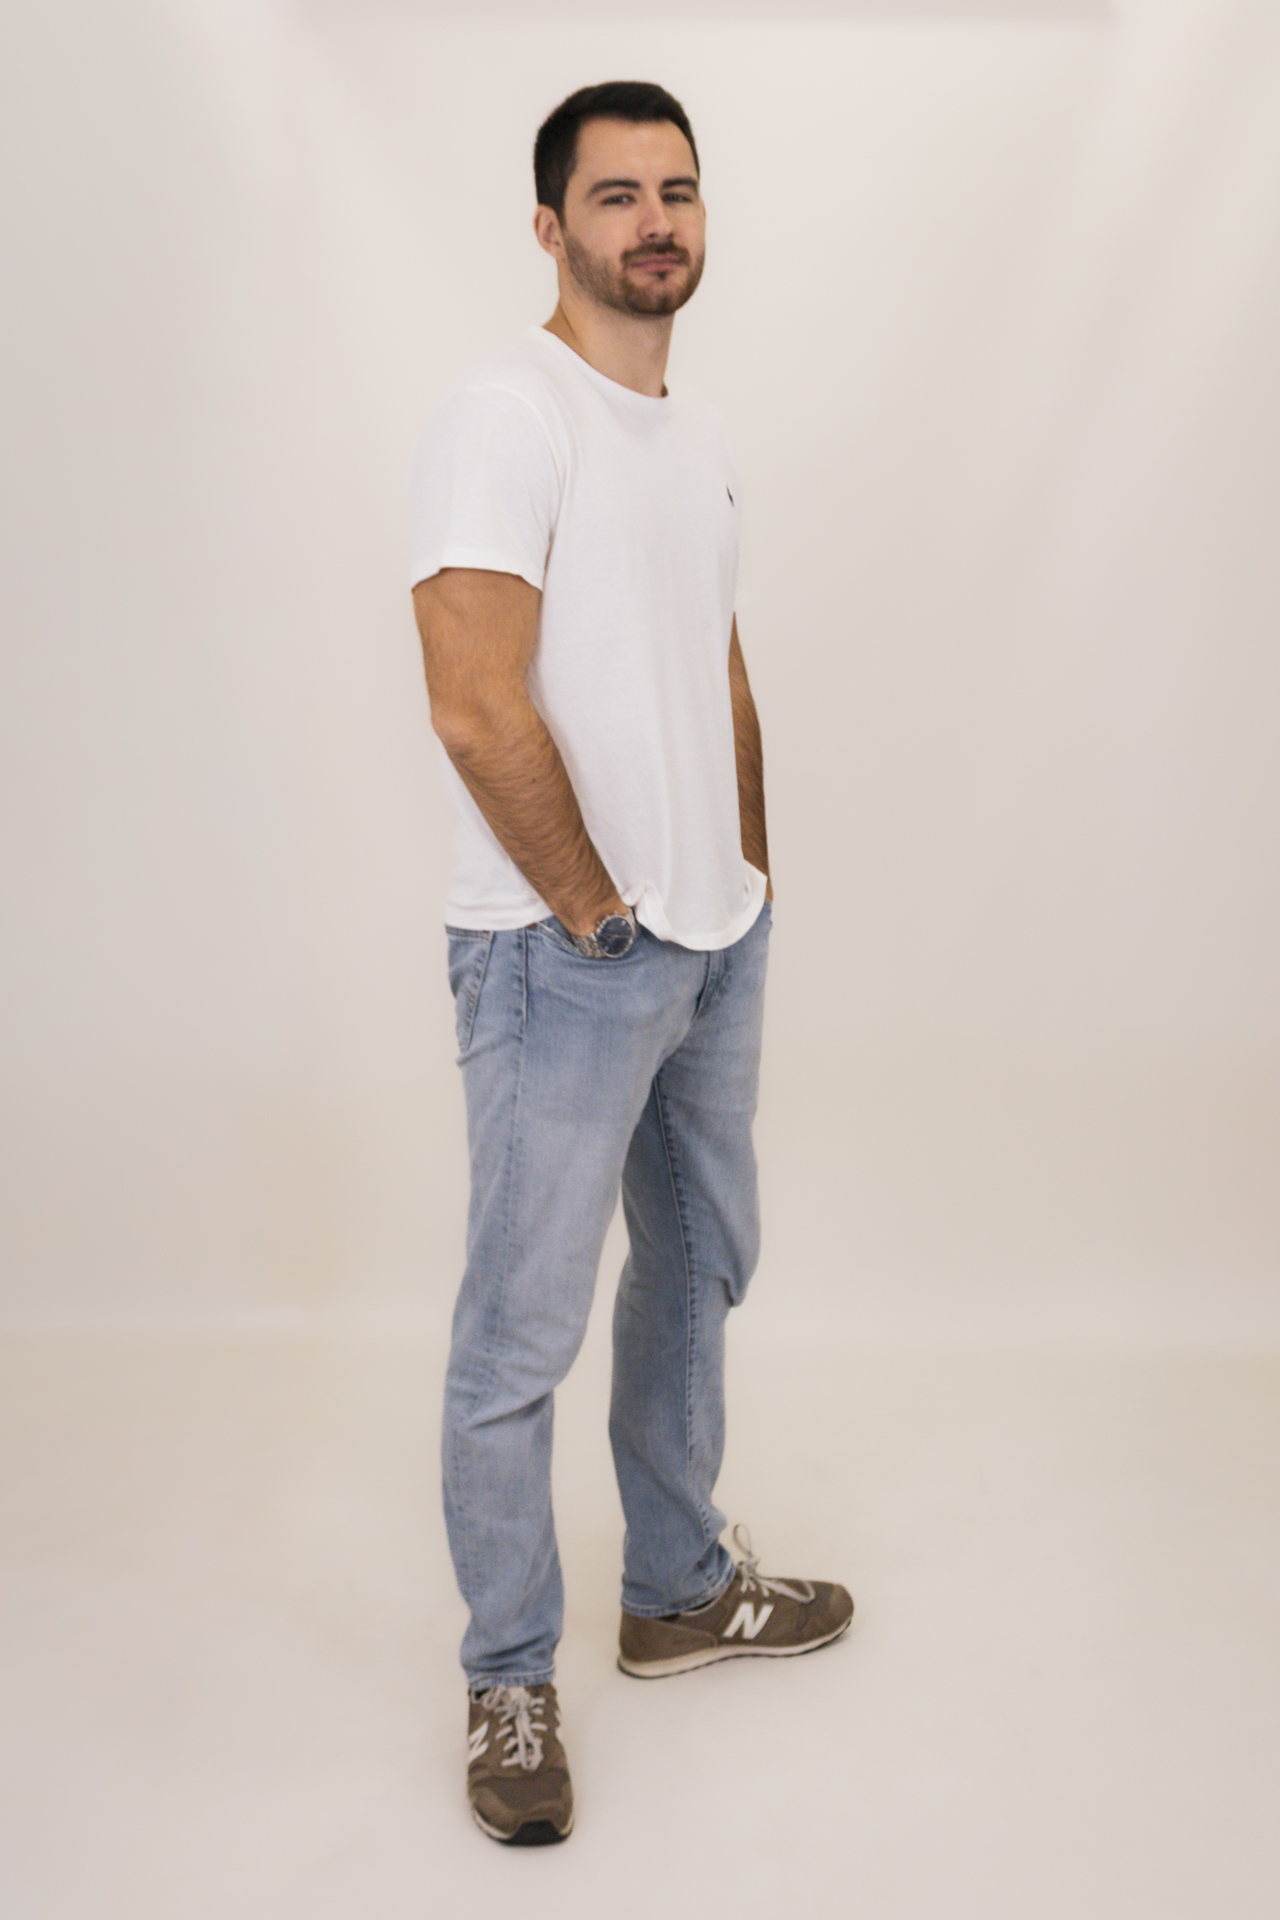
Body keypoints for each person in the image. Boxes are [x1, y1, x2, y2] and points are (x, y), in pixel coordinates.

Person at [409, 80, 852, 1848]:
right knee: (518, 1333)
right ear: (551, 226)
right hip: (562, 949)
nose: (654, 221)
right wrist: (596, 910)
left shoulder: (697, 430)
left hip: (712, 935)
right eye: (615, 195)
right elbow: (472, 700)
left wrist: (748, 873)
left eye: (677, 190)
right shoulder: (506, 415)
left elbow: (713, 661)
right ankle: (508, 1674)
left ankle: (674, 1588)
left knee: (696, 1272)